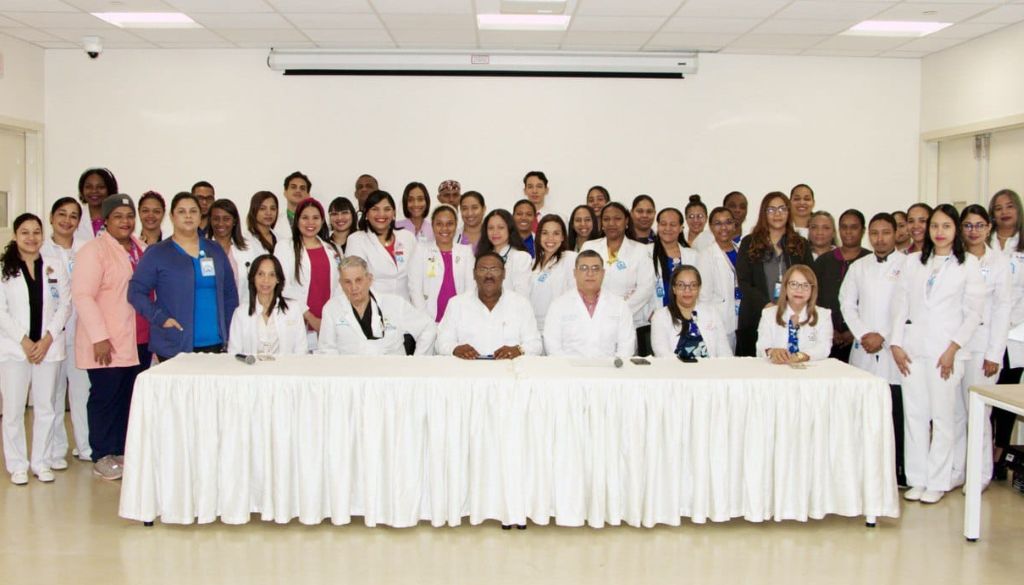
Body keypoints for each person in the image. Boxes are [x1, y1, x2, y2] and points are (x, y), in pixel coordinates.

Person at [890, 203, 985, 504]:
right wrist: (895, 343)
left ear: (955, 230)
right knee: (915, 415)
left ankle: (938, 480)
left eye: (946, 226)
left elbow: (973, 314)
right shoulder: (914, 262)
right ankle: (918, 478)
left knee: (943, 418)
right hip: (913, 350)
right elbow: (900, 305)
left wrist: (953, 349)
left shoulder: (967, 264)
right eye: (934, 226)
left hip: (946, 353)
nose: (939, 232)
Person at [71, 194, 149, 481]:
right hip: (108, 340)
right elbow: (82, 295)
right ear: (106, 220)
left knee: (127, 396)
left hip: (138, 338)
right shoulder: (94, 250)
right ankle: (102, 453)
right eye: (118, 216)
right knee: (105, 396)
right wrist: (99, 337)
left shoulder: (140, 246)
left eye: (129, 216)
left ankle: (120, 450)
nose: (126, 221)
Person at [0, 213, 71, 485]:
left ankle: (40, 462)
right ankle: (18, 464)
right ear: (16, 236)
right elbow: (2, 312)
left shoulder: (54, 266)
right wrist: (25, 341)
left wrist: (47, 339)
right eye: (25, 232)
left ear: (43, 235)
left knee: (46, 407)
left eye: (36, 232)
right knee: (14, 409)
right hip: (14, 350)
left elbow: (65, 305)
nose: (31, 238)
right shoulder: (4, 269)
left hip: (48, 349)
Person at [839, 212, 908, 486]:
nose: (880, 239)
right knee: (863, 411)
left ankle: (898, 468)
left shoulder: (909, 265)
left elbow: (907, 308)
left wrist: (885, 336)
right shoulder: (860, 266)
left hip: (893, 349)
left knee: (896, 412)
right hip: (863, 347)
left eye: (886, 233)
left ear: (895, 234)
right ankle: (862, 468)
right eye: (875, 233)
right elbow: (847, 303)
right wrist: (864, 333)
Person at [129, 192, 238, 361]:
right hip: (174, 343)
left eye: (193, 211)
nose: (188, 216)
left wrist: (230, 329)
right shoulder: (157, 252)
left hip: (216, 344)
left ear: (200, 215)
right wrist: (160, 318)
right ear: (172, 216)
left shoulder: (214, 250)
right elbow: (135, 292)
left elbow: (230, 293)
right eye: (181, 211)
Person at [951, 204, 1011, 488]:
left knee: (979, 412)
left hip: (982, 344)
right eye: (967, 225)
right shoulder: (954, 258)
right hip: (954, 345)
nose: (973, 231)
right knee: (954, 412)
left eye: (979, 225)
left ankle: (980, 474)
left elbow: (1002, 310)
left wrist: (994, 353)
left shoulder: (998, 262)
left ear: (989, 227)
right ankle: (957, 471)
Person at [42, 198, 91, 464]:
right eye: (62, 214)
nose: (67, 220)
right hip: (51, 333)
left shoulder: (86, 249)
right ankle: (55, 449)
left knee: (82, 392)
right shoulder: (40, 249)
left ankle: (85, 447)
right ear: (51, 217)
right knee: (53, 393)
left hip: (81, 330)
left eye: (73, 216)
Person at [735, 192, 813, 357]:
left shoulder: (801, 244)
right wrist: (767, 306)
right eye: (771, 210)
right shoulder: (749, 243)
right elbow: (743, 281)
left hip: (792, 316)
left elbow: (810, 281)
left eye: (782, 209)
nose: (777, 214)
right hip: (755, 315)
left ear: (788, 212)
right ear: (764, 213)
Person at [318, 256, 436, 356]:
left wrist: (418, 361)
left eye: (358, 280)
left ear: (369, 279)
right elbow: (326, 350)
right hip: (351, 377)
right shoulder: (332, 309)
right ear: (341, 284)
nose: (353, 287)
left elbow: (428, 327)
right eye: (347, 282)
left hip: (391, 375)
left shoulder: (395, 304)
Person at [581, 202, 656, 356]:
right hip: (592, 319)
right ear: (601, 223)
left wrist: (619, 311)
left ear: (627, 221)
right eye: (606, 219)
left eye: (617, 219)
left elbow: (646, 288)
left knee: (623, 368)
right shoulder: (590, 247)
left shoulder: (640, 250)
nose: (612, 224)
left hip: (628, 320)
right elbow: (580, 282)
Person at [436, 252, 542, 359]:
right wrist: (455, 349)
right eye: (483, 270)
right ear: (474, 274)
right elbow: (442, 342)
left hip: (509, 370)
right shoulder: (457, 304)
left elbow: (535, 344)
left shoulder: (521, 304)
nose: (489, 275)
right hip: (468, 371)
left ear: (504, 273)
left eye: (495, 269)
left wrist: (518, 350)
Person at [987, 189, 1024, 479]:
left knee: (1006, 393)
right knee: (985, 389)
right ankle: (984, 449)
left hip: (1018, 332)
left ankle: (1000, 450)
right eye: (998, 208)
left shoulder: (1021, 244)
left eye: (1009, 206)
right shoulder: (984, 244)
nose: (1004, 212)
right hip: (986, 329)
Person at [543, 250, 635, 357]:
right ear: (575, 273)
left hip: (609, 370)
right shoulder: (558, 305)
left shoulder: (620, 305)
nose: (590, 273)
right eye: (584, 268)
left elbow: (626, 347)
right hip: (570, 370)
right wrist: (571, 370)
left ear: (603, 273)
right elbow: (552, 346)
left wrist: (612, 370)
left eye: (595, 268)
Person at [279, 198, 341, 349]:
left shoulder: (334, 248)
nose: (310, 223)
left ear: (322, 220)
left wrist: (329, 321)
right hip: (300, 319)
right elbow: (282, 285)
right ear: (297, 220)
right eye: (305, 217)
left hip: (329, 323)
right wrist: (310, 317)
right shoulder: (285, 247)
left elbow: (340, 286)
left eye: (315, 218)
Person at [813, 209, 869, 363]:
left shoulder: (870, 261)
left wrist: (854, 331)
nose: (848, 232)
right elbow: (814, 299)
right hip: (827, 337)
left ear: (863, 231)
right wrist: (830, 328)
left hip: (861, 339)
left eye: (854, 227)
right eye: (844, 227)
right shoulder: (823, 262)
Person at [226, 255, 308, 357]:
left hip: (285, 371)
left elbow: (301, 350)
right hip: (251, 371)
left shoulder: (293, 309)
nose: (266, 280)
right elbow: (234, 354)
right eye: (260, 274)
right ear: (253, 278)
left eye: (271, 275)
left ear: (278, 279)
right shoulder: (240, 313)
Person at [346, 190, 417, 301]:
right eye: (375, 209)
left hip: (406, 309)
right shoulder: (356, 240)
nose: (381, 214)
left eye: (387, 209)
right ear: (366, 214)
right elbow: (355, 282)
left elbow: (416, 279)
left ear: (394, 213)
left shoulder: (408, 237)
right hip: (373, 310)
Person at [408, 205, 475, 323]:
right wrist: (425, 321)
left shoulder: (466, 252)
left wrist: (464, 318)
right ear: (432, 226)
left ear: (456, 226)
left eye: (450, 223)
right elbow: (415, 289)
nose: (445, 228)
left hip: (459, 320)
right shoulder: (421, 250)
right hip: (429, 319)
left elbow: (470, 289)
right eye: (439, 224)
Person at [756, 265, 832, 363]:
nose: (799, 290)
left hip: (810, 372)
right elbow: (761, 345)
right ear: (785, 287)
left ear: (813, 290)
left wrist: (802, 356)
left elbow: (824, 347)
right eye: (793, 284)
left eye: (805, 285)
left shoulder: (824, 315)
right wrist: (772, 351)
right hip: (776, 371)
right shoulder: (768, 314)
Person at [652, 264, 731, 359]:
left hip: (710, 371)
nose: (687, 290)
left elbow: (725, 353)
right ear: (674, 289)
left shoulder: (712, 313)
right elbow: (662, 353)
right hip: (674, 371)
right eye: (681, 285)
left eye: (693, 285)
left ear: (699, 288)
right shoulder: (660, 316)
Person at [697, 207, 740, 353]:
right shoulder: (706, 255)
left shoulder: (741, 250)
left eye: (728, 222)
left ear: (735, 225)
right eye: (718, 223)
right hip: (720, 320)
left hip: (742, 317)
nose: (724, 228)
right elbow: (703, 296)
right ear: (711, 227)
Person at [529, 215, 576, 332]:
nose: (550, 238)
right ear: (539, 236)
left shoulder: (570, 258)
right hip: (534, 328)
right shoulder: (532, 263)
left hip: (560, 328)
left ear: (563, 237)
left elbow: (574, 295)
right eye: (545, 233)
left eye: (556, 233)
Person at [208, 199, 255, 310]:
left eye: (226, 219)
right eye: (216, 219)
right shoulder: (201, 248)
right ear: (210, 220)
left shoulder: (248, 248)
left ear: (234, 221)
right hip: (211, 311)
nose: (220, 223)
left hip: (242, 311)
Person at [650, 207, 699, 311]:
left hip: (687, 314)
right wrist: (650, 312)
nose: (668, 228)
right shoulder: (645, 252)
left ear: (681, 228)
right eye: (663, 224)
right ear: (657, 226)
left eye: (673, 224)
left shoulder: (694, 255)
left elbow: (699, 288)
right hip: (655, 316)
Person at [477, 209, 532, 296]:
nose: (495, 232)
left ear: (509, 229)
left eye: (501, 227)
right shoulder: (482, 258)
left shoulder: (520, 257)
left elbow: (522, 295)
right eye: (491, 228)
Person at [74, 167, 118, 241]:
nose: (94, 191)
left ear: (109, 190)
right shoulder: (74, 216)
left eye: (101, 187)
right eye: (88, 187)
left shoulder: (118, 217)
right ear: (82, 190)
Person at [245, 190, 280, 255]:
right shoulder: (245, 240)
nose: (269, 213)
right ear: (254, 211)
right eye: (262, 208)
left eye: (273, 208)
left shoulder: (281, 240)